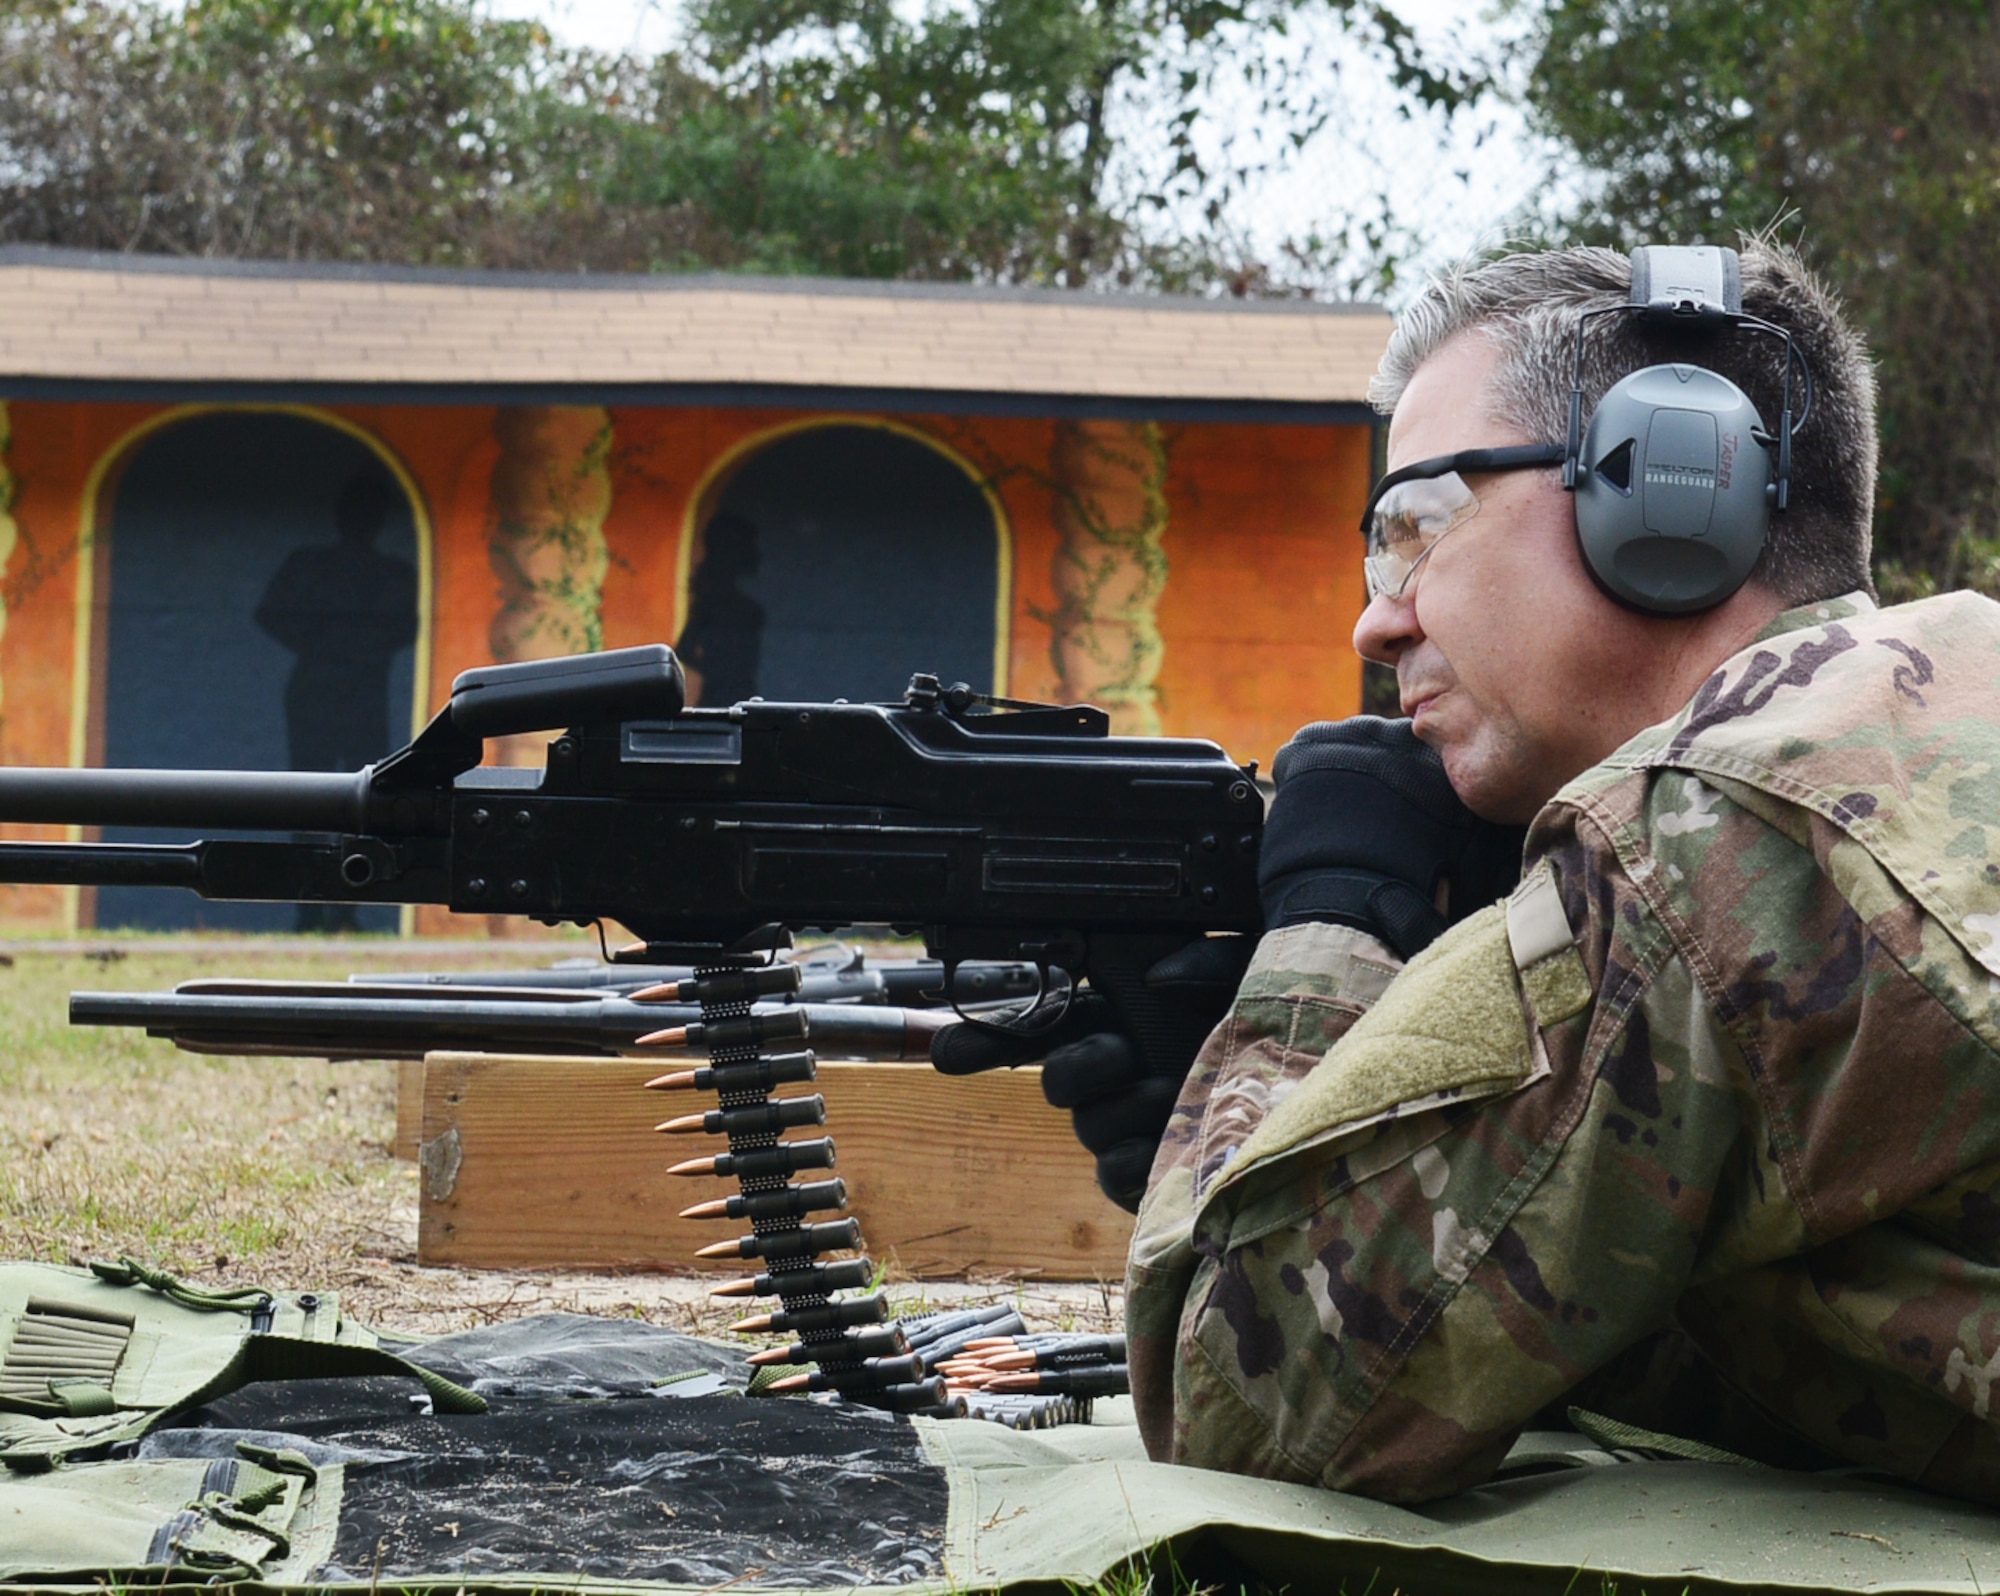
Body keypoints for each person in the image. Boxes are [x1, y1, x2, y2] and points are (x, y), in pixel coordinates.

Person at [960, 238, 2000, 1507]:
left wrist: (1328, 927)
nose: (1375, 617)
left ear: (1669, 492)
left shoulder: (1713, 837)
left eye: (1417, 524)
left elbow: (1247, 1407)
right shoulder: (1912, 721)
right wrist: (1333, 1129)